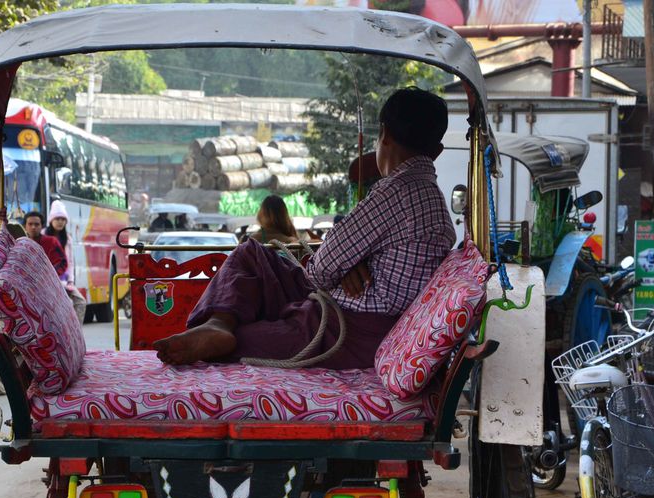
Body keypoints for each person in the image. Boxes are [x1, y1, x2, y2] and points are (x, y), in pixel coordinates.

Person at [153, 87, 455, 370]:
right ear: (437, 151)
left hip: (348, 330)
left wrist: (344, 264)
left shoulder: (395, 192)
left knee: (242, 337)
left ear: (384, 135)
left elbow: (321, 269)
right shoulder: (431, 199)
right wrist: (351, 263)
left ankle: (223, 327)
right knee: (254, 255)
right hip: (343, 308)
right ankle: (219, 324)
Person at [46, 200, 87, 323]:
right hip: (47, 281)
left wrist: (71, 281)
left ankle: (75, 330)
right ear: (51, 220)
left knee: (80, 301)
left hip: (64, 281)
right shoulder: (43, 235)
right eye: (57, 219)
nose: (60, 222)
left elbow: (70, 262)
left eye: (63, 219)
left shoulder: (67, 238)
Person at [23, 210, 68, 280]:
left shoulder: (51, 242)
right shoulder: (19, 243)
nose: (33, 227)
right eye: (30, 224)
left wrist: (49, 275)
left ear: (42, 226)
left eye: (37, 224)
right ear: (24, 226)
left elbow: (62, 262)